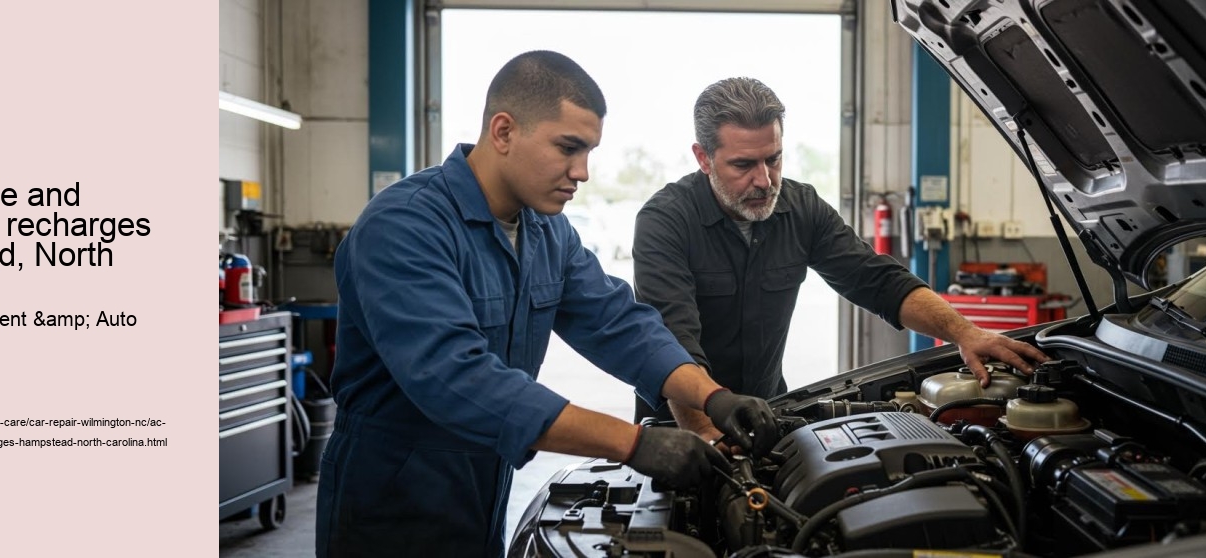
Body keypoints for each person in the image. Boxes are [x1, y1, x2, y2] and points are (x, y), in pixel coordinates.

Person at [315, 52, 775, 557]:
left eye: (589, 151)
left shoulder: (546, 231)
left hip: (483, 490)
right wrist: (632, 443)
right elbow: (456, 378)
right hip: (390, 505)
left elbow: (618, 323)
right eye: (568, 148)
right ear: (504, 131)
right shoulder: (405, 226)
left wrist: (713, 397)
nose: (583, 171)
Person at [633, 77, 1050, 424]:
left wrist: (965, 332)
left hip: (765, 410)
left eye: (774, 159)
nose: (765, 180)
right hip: (679, 426)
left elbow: (877, 280)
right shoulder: (665, 222)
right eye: (743, 165)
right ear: (704, 158)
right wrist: (705, 434)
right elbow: (673, 343)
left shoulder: (802, 208)